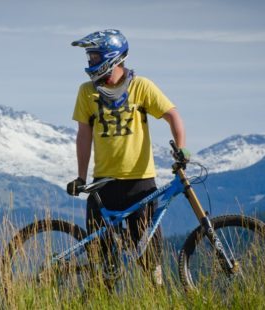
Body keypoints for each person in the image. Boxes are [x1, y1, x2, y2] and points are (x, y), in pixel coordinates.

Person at [66, 29, 190, 285]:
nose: (89, 62)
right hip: (104, 183)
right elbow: (84, 135)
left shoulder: (141, 86)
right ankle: (101, 296)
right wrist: (81, 176)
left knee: (149, 255)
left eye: (93, 56)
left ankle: (154, 298)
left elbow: (172, 115)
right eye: (89, 57)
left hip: (140, 184)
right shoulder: (87, 92)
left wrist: (181, 148)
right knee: (102, 258)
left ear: (111, 57)